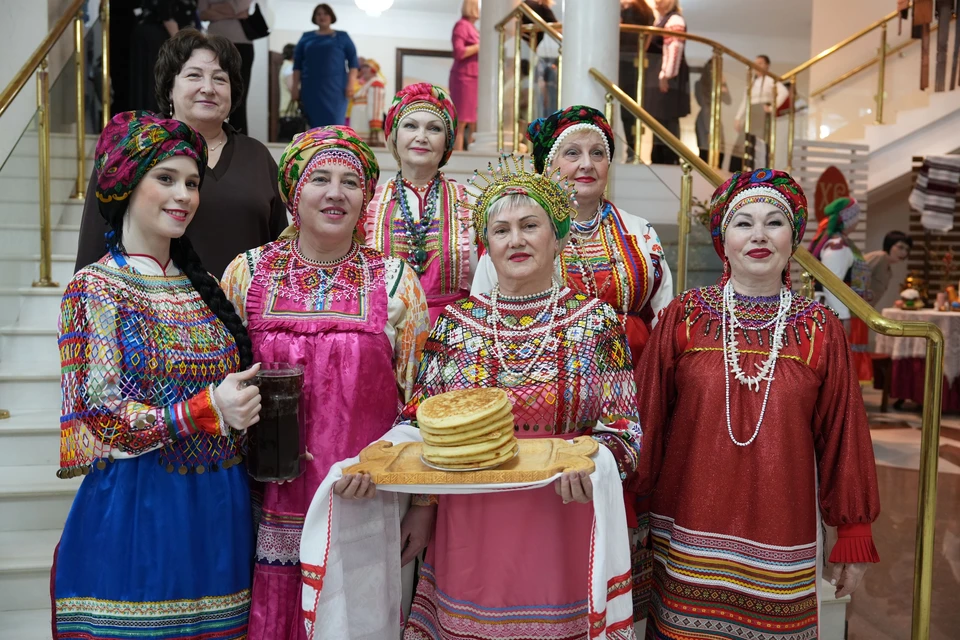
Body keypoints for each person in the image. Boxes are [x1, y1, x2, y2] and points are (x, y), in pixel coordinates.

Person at [394, 156, 643, 639]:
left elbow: (625, 430)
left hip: (563, 519)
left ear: (559, 237)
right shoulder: (456, 326)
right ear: (486, 247)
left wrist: (593, 464)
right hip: (472, 523)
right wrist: (421, 505)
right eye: (501, 230)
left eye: (530, 226)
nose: (516, 240)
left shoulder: (596, 322)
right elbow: (419, 423)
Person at [636, 169, 881, 639]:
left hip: (780, 535)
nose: (759, 235)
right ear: (723, 240)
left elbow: (844, 435)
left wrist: (852, 534)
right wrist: (632, 508)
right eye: (744, 223)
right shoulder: (684, 316)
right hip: (686, 530)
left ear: (793, 239)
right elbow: (645, 419)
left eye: (774, 222)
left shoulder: (821, 328)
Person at [52, 111, 261, 638]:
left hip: (219, 506)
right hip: (140, 508)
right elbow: (101, 418)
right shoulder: (96, 288)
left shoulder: (205, 285)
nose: (184, 195)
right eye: (166, 178)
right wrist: (206, 409)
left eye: (192, 183)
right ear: (125, 184)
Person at [220, 126, 431, 640]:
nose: (335, 193)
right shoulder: (246, 273)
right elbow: (223, 386)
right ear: (294, 193)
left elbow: (423, 400)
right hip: (265, 501)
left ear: (366, 198)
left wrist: (425, 506)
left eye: (350, 182)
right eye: (320, 179)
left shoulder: (397, 280)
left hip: (365, 497)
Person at [75, 29, 288, 279]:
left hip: (245, 303)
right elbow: (94, 241)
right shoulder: (135, 146)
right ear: (169, 89)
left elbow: (280, 250)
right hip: (151, 300)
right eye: (194, 75)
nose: (208, 88)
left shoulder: (257, 156)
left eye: (220, 79)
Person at [473, 106, 673, 367]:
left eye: (597, 153)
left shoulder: (638, 231)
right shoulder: (516, 235)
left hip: (634, 375)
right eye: (572, 153)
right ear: (547, 165)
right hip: (542, 375)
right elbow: (484, 313)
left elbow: (663, 319)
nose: (587, 164)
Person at [365, 83, 475, 323]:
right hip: (386, 330)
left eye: (434, 128)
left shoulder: (471, 203)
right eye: (410, 126)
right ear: (394, 137)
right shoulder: (369, 204)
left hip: (454, 331)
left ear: (447, 142)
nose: (421, 137)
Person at [810, 196, 874, 383]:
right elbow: (832, 283)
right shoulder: (838, 246)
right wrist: (843, 317)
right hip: (841, 313)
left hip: (850, 311)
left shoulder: (842, 243)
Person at [292, 3, 359, 128]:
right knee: (314, 126)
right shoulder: (306, 37)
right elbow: (297, 65)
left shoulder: (342, 36)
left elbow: (353, 62)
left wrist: (351, 84)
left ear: (331, 16)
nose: (322, 16)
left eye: (325, 13)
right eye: (318, 14)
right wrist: (295, 87)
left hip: (336, 89)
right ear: (314, 17)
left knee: (335, 125)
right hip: (311, 88)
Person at [129, 0, 198, 113]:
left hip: (161, 36)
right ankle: (153, 119)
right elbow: (166, 12)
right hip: (158, 37)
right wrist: (180, 44)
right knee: (156, 80)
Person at [197, 0, 254, 134]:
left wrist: (215, 10)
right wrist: (233, 12)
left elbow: (239, 9)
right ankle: (211, 134)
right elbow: (202, 14)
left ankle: (238, 136)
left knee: (239, 95)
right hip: (214, 44)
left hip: (242, 45)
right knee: (212, 91)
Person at [645, 0, 690, 165]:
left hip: (667, 77)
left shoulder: (674, 20)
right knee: (660, 119)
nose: (657, 2)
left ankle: (669, 159)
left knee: (667, 118)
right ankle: (660, 158)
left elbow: (674, 50)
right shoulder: (661, 20)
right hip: (660, 75)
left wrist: (666, 75)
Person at [733, 54, 788, 170]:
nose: (757, 66)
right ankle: (740, 170)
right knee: (744, 141)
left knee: (761, 143)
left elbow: (784, 92)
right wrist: (738, 117)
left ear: (767, 65)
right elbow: (745, 100)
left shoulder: (770, 80)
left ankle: (761, 170)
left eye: (760, 63)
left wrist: (772, 107)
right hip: (751, 112)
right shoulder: (752, 82)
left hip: (762, 113)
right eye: (756, 63)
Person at [618, 0, 655, 162]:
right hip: (631, 61)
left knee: (628, 109)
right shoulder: (646, 10)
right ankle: (633, 150)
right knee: (629, 109)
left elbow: (648, 35)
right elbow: (649, 35)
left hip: (627, 61)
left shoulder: (637, 8)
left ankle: (632, 150)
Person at [450, 0, 480, 151]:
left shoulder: (473, 28)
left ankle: (471, 152)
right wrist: (479, 47)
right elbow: (459, 52)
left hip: (475, 77)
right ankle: (458, 154)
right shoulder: (461, 25)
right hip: (464, 78)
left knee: (474, 120)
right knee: (461, 120)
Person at [694, 53, 730, 167]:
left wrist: (723, 84)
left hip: (715, 119)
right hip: (705, 120)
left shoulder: (719, 84)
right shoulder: (700, 84)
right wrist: (709, 129)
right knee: (705, 153)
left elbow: (728, 101)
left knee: (720, 154)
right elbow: (704, 104)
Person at [865, 230, 912, 304]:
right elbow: (855, 276)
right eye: (900, 247)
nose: (904, 253)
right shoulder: (878, 257)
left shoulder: (889, 270)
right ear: (890, 244)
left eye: (907, 250)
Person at [349, 58, 387, 146]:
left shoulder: (376, 84)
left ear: (373, 70)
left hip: (367, 128)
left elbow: (376, 106)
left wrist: (375, 126)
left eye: (366, 67)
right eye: (363, 67)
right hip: (359, 125)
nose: (363, 70)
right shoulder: (366, 84)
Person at [279, 43, 296, 114]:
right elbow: (292, 88)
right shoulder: (290, 67)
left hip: (287, 108)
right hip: (290, 110)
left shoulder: (285, 65)